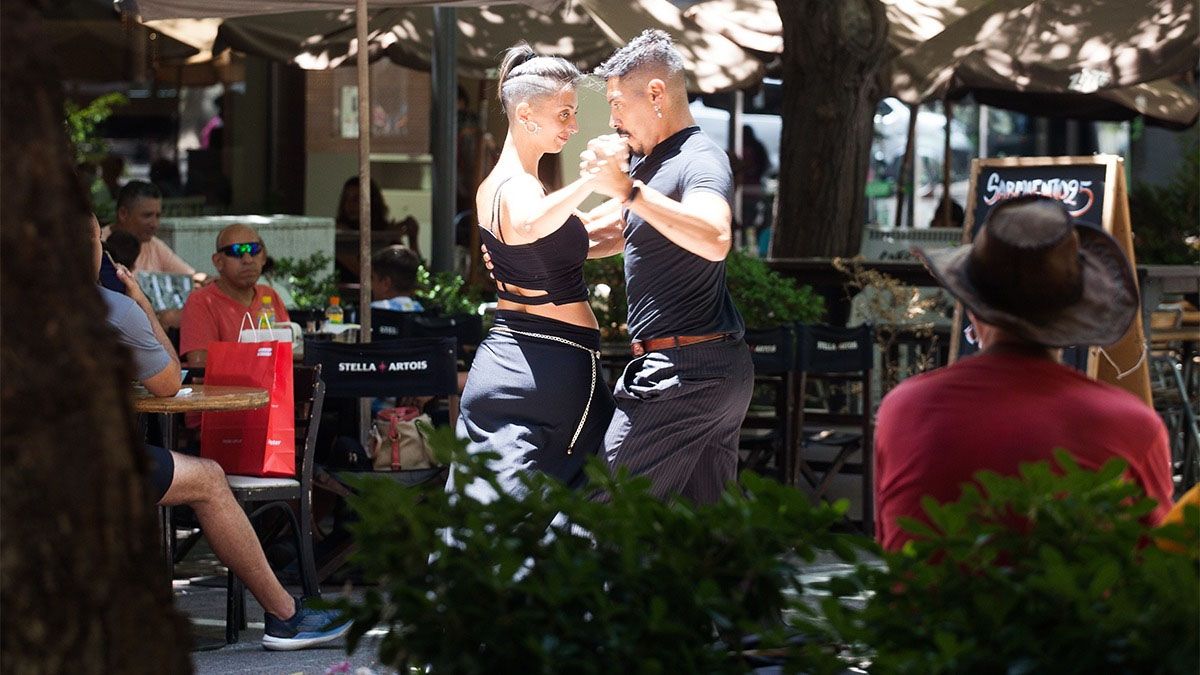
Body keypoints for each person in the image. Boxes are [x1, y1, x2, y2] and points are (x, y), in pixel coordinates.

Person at [89, 215, 349, 650]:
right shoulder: (111, 307)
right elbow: (172, 381)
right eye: (99, 238)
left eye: (255, 249)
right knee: (208, 478)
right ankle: (285, 617)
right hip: (87, 462)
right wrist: (143, 307)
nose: (248, 259)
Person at [874, 195, 1174, 551]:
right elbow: (1158, 574)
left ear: (972, 307)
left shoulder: (901, 409)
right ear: (1077, 314)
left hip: (925, 608)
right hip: (1068, 606)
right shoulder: (1132, 426)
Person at [581, 30, 755, 505]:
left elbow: (716, 236)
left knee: (597, 517)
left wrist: (628, 191)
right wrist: (528, 237)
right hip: (708, 370)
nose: (613, 120)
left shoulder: (700, 158)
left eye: (617, 104)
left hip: (684, 374)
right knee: (705, 539)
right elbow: (604, 233)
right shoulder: (651, 164)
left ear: (656, 94)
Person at [454, 43, 617, 501]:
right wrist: (591, 182)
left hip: (522, 363)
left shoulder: (509, 187)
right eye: (564, 113)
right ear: (526, 113)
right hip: (548, 370)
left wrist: (632, 195)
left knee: (502, 522)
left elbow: (569, 235)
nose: (574, 125)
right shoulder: (519, 188)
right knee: (586, 503)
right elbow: (528, 224)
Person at [179, 224, 290, 367]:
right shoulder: (201, 301)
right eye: (236, 251)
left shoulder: (269, 295)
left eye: (254, 249)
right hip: (231, 389)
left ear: (263, 257)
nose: (248, 259)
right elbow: (200, 367)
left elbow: (289, 349)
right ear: (218, 261)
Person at [104, 180, 205, 281]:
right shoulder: (98, 244)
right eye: (147, 216)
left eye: (158, 216)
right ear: (123, 214)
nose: (154, 224)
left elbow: (192, 278)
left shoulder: (154, 245)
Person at [335, 176, 420, 272]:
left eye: (356, 199)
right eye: (346, 199)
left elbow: (411, 273)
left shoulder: (385, 232)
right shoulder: (338, 235)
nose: (350, 205)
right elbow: (364, 272)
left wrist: (413, 239)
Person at [370, 245, 424, 312]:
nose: (371, 286)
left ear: (386, 283)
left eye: (372, 278)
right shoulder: (423, 312)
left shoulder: (371, 312)